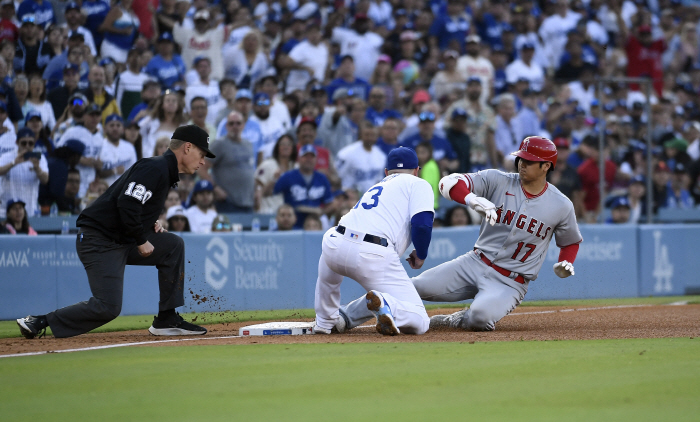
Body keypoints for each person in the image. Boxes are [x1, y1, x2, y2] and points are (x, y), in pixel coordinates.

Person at [16, 124, 213, 339]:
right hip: (99, 240)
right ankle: (39, 321)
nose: (203, 161)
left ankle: (166, 318)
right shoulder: (155, 167)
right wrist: (141, 238)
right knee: (108, 307)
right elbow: (127, 203)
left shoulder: (164, 171)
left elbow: (132, 202)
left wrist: (149, 223)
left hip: (119, 239)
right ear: (187, 147)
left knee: (172, 246)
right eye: (201, 154)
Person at [414, 136, 582, 332]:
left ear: (546, 166)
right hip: (474, 263)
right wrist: (470, 198)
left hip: (510, 281)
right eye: (520, 159)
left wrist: (567, 261)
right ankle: (389, 314)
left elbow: (570, 241)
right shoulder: (498, 180)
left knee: (479, 318)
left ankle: (458, 319)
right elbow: (448, 183)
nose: (521, 164)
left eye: (529, 161)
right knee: (413, 287)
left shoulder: (561, 204)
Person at [313, 147, 435, 336]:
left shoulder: (378, 186)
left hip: (335, 242)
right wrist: (421, 254)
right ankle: (388, 305)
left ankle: (324, 321)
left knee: (329, 274)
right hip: (372, 253)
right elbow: (422, 225)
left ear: (386, 172)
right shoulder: (418, 184)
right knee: (420, 320)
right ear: (417, 171)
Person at [198, 111, 255, 213]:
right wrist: (215, 188)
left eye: (238, 123)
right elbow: (201, 168)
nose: (235, 126)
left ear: (243, 125)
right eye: (231, 123)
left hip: (248, 202)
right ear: (226, 126)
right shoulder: (219, 144)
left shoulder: (248, 145)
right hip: (228, 203)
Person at [274, 145, 334, 229]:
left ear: (316, 159)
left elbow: (330, 203)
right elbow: (272, 192)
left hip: (314, 225)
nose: (308, 159)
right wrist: (274, 179)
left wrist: (321, 211)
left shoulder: (322, 178)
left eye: (311, 157)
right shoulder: (288, 176)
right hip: (292, 225)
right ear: (299, 159)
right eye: (305, 156)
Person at [0, 127, 49, 217]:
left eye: (30, 143)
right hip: (7, 211)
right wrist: (13, 163)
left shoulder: (40, 158)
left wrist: (37, 168)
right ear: (17, 142)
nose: (27, 146)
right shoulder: (7, 156)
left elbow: (45, 180)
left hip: (29, 210)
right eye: (23, 143)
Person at [335, 123, 386, 193]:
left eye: (373, 135)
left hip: (370, 197)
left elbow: (378, 180)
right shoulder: (347, 153)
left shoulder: (381, 156)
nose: (370, 138)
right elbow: (337, 177)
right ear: (361, 135)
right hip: (349, 196)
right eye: (367, 135)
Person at [255, 133, 296, 215]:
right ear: (277, 147)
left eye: (289, 144)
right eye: (283, 144)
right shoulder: (267, 165)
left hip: (291, 214)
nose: (286, 147)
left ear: (293, 148)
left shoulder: (296, 167)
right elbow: (258, 191)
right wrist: (274, 180)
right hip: (269, 211)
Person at [99, 114, 137, 186]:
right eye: (112, 125)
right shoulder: (100, 147)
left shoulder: (129, 148)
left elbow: (134, 173)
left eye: (118, 125)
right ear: (105, 129)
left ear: (123, 129)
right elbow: (97, 173)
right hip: (105, 191)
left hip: (123, 191)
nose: (115, 128)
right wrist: (114, 171)